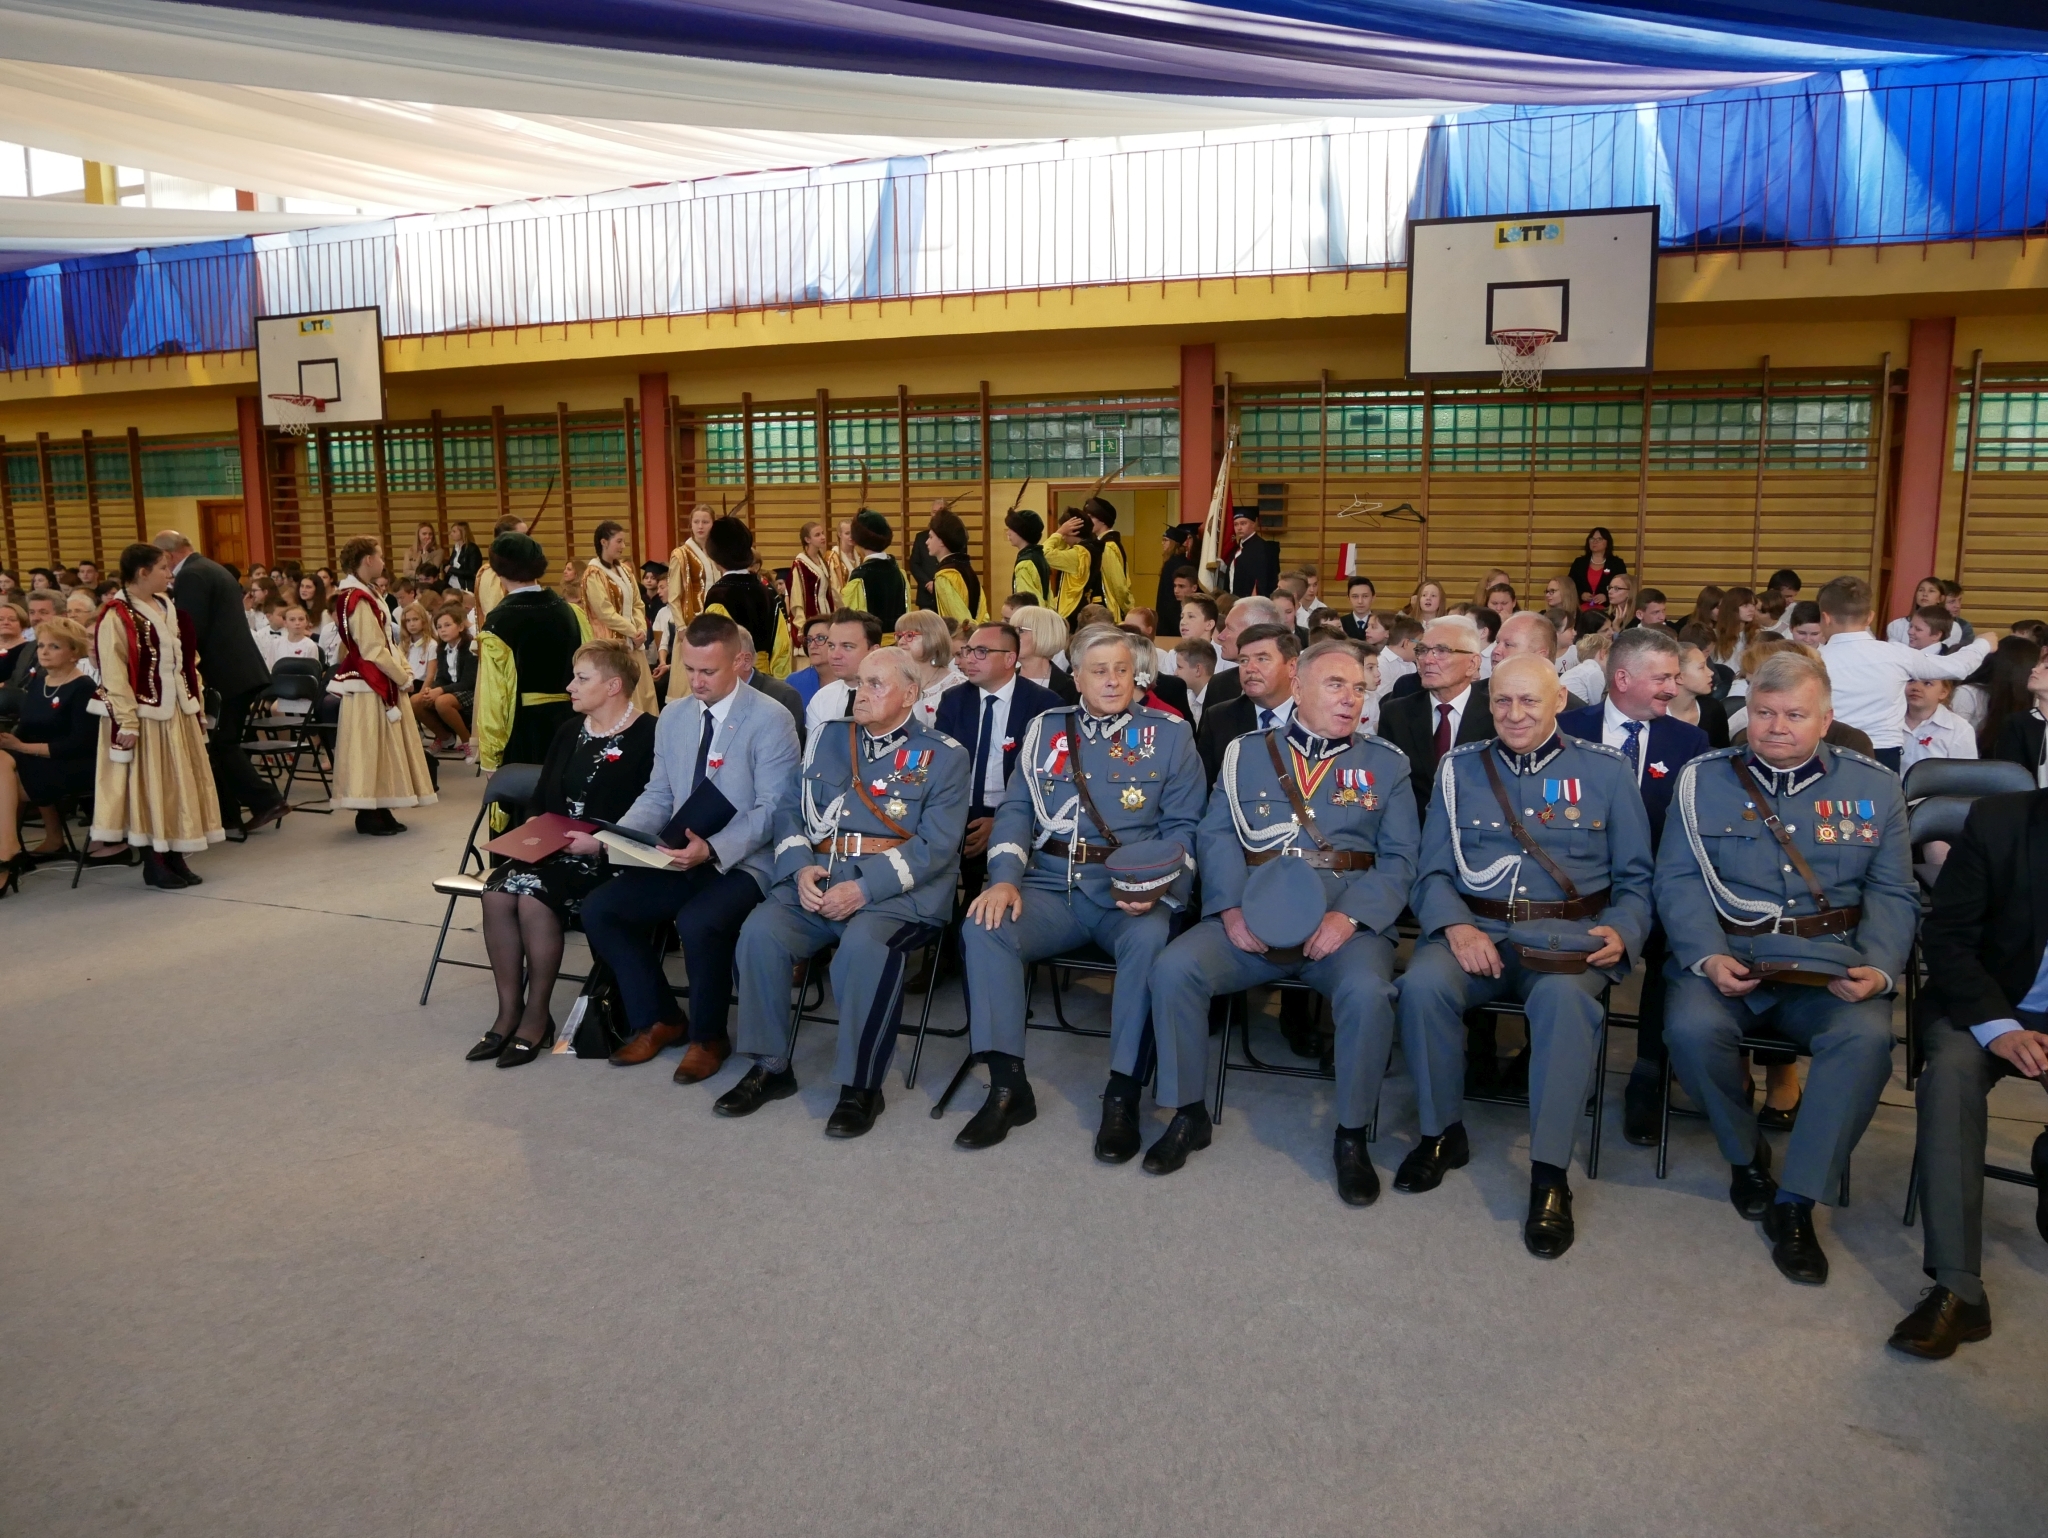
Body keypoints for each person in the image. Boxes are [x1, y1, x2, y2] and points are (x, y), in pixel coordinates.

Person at [1656, 651, 1915, 1286]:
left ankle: (1796, 1201)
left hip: (1829, 965)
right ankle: (1745, 1155)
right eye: (1765, 713)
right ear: (1747, 715)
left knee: (1867, 1040)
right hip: (1731, 956)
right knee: (1689, 1028)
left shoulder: (1874, 786)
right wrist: (1707, 954)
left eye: (1795, 715)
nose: (1776, 727)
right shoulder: (1702, 779)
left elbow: (1892, 892)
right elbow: (1678, 879)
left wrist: (1880, 970)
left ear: (1825, 719)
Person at [1394, 654, 1652, 1257]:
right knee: (1421, 987)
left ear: (1559, 701)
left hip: (1568, 938)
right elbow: (1431, 872)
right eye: (1502, 701)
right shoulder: (1460, 768)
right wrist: (1456, 926)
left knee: (1564, 1006)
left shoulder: (1607, 771)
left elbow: (1638, 878)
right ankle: (1441, 1133)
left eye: (1529, 700)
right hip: (1477, 931)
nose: (1514, 714)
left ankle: (1549, 1172)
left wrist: (1623, 929)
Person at [1152, 640, 1419, 1202]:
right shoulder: (1246, 753)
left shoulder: (1386, 764)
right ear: (1297, 687)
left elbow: (1400, 861)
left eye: (1358, 689)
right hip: (1252, 913)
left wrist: (1349, 918)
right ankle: (1187, 1112)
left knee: (1369, 994)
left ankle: (1351, 1134)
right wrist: (1228, 908)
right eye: (1335, 685)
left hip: (1342, 923)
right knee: (1175, 969)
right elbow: (1217, 835)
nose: (1350, 699)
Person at [957, 626, 1209, 1164]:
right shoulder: (1046, 728)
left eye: (1123, 669)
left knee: (1150, 943)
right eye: (1099, 671)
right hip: (1052, 883)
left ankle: (1122, 1094)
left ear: (1137, 675)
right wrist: (1003, 878)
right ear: (1076, 677)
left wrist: (1158, 888)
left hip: (1128, 892)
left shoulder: (1169, 734)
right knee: (984, 926)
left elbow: (1185, 827)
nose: (1113, 680)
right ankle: (1007, 1087)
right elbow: (1017, 810)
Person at [718, 647, 971, 1137]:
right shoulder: (828, 738)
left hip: (898, 893)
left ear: (910, 695)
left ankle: (861, 1085)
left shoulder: (944, 756)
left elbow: (937, 847)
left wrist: (864, 888)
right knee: (760, 933)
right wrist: (798, 869)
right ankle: (770, 1065)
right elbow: (790, 810)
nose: (862, 693)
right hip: (819, 878)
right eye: (859, 683)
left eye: (876, 684)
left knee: (863, 947)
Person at [581, 615, 800, 1082]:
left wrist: (713, 849)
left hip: (747, 860)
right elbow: (659, 793)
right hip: (679, 852)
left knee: (700, 921)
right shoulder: (675, 716)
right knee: (602, 909)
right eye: (690, 670)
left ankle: (708, 1037)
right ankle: (660, 1018)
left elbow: (774, 809)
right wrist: (618, 835)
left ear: (738, 663)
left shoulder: (770, 718)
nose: (696, 681)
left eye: (708, 671)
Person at [1893, 789, 2048, 1356]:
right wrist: (1998, 1026)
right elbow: (1948, 937)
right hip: (1987, 1003)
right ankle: (1959, 1289)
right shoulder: (2000, 820)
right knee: (1951, 1076)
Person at [465, 640, 658, 1066]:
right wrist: (535, 827)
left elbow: (655, 811)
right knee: (496, 893)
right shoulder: (569, 730)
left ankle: (536, 1018)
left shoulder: (650, 734)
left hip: (609, 857)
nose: (570, 686)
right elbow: (542, 796)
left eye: (581, 678)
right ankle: (508, 1014)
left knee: (533, 899)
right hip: (555, 849)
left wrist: (600, 844)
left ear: (613, 685)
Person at [1557, 627, 1712, 1144]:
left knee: (1676, 941)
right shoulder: (1565, 728)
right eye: (1663, 677)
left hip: (1656, 883)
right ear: (1622, 678)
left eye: (1676, 677)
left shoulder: (1688, 741)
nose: (1673, 687)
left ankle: (1648, 1072)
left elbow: (1690, 830)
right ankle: (1563, 1058)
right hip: (1576, 884)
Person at [88, 543, 226, 887]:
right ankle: (155, 861)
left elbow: (186, 660)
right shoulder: (117, 615)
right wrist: (128, 722)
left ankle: (176, 854)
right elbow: (114, 672)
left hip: (177, 710)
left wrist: (195, 703)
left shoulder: (166, 605)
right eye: (163, 568)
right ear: (142, 572)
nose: (169, 574)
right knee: (152, 787)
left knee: (180, 785)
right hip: (144, 715)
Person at [151, 530, 289, 836]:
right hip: (237, 669)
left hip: (226, 673)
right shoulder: (210, 567)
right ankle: (231, 816)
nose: (163, 569)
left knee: (221, 744)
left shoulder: (192, 575)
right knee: (220, 744)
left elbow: (190, 628)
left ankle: (264, 801)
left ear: (168, 555)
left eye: (161, 562)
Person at [933, 620, 1063, 910]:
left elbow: (1046, 781)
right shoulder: (954, 700)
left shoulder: (1044, 704)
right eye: (967, 651)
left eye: (981, 651)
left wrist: (1003, 821)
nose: (969, 659)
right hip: (958, 808)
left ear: (1009, 659)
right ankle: (949, 924)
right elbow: (941, 769)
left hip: (1016, 810)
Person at [1814, 576, 1988, 771]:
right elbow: (1959, 666)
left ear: (1825, 618)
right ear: (1870, 617)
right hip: (1883, 755)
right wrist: (1984, 643)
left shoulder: (1814, 661)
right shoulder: (1897, 654)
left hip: (1829, 750)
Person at [325, 539, 438, 835]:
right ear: (367, 560)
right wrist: (401, 677)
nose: (383, 561)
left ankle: (381, 806)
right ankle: (368, 811)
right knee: (369, 745)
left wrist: (404, 668)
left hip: (380, 676)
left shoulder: (368, 592)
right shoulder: (357, 598)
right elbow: (372, 648)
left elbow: (386, 640)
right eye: (379, 556)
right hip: (369, 682)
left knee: (383, 746)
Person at [474, 533, 592, 771]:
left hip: (525, 731)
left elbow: (495, 697)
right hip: (573, 724)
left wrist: (490, 756)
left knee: (528, 792)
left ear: (498, 571)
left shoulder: (498, 624)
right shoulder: (571, 612)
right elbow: (592, 672)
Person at [0, 616, 98, 886]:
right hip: (35, 759)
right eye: (41, 645)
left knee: (3, 775)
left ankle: (7, 852)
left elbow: (79, 744)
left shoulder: (84, 688)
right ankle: (10, 847)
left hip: (72, 764)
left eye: (54, 646)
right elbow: (27, 728)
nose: (43, 652)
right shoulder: (39, 682)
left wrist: (20, 747)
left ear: (74, 653)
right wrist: (10, 740)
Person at [1379, 616, 1491, 820]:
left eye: (1442, 651)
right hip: (1413, 830)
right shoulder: (1396, 714)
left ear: (1472, 664)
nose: (1427, 660)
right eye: (1422, 650)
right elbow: (1386, 789)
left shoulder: (1496, 716)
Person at [1195, 624, 1299, 785]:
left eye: (1262, 659)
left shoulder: (1317, 718)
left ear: (1292, 667)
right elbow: (1204, 787)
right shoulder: (1218, 718)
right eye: (1243, 660)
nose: (1249, 669)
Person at [581, 520, 659, 716]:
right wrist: (632, 631)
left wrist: (641, 630)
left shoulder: (625, 571)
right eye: (619, 541)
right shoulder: (593, 574)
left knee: (644, 694)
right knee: (622, 695)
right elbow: (604, 612)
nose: (623, 546)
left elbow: (637, 604)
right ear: (604, 542)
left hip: (634, 642)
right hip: (611, 644)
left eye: (624, 542)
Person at [699, 517, 785, 676]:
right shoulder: (766, 591)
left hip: (733, 679)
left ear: (716, 557)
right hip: (765, 678)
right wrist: (777, 682)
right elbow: (782, 645)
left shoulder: (718, 595)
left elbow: (714, 647)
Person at [803, 609, 880, 733]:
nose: (835, 655)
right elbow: (814, 746)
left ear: (873, 651)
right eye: (831, 646)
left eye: (847, 646)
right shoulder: (821, 699)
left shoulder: (896, 697)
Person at [412, 605, 477, 750]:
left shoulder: (470, 647)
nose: (442, 630)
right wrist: (431, 689)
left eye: (447, 625)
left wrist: (440, 690)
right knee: (416, 700)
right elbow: (441, 677)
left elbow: (468, 682)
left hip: (470, 691)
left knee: (442, 702)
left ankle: (468, 741)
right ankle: (445, 737)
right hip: (451, 690)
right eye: (439, 627)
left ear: (460, 627)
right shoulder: (441, 649)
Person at [838, 510, 907, 634]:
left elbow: (853, 621)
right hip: (898, 640)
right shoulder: (899, 572)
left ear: (857, 539)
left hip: (872, 642)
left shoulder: (860, 576)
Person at [1004, 509, 1081, 618]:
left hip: (1033, 620)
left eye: (1011, 529)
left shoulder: (1024, 565)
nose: (1008, 533)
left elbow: (1028, 604)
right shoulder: (1038, 556)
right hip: (1045, 616)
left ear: (1022, 532)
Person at [1989, 646, 2048, 782]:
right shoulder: (2016, 723)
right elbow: (2010, 780)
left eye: (2046, 667)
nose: (2034, 669)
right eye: (2037, 665)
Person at [894, 610, 964, 725]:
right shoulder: (894, 681)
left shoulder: (958, 686)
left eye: (909, 635)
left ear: (933, 638)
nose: (901, 642)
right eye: (899, 636)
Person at [921, 510, 985, 628]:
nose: (927, 542)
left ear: (942, 541)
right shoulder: (968, 569)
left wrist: (968, 632)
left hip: (961, 637)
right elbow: (982, 612)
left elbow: (961, 621)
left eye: (930, 537)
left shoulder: (945, 576)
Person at [1901, 679, 1977, 773]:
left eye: (1927, 683)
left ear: (1943, 692)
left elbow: (1965, 774)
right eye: (1911, 680)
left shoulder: (1959, 729)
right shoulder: (1889, 720)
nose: (1916, 688)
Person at [665, 503, 717, 629]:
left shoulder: (718, 553)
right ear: (691, 524)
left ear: (713, 524)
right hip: (691, 621)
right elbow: (673, 596)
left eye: (705, 522)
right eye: (696, 522)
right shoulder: (680, 554)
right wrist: (681, 626)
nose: (700, 526)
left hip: (717, 618)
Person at [787, 520, 839, 647]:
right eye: (817, 535)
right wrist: (802, 626)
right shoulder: (800, 564)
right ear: (807, 539)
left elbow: (831, 591)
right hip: (811, 617)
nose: (823, 537)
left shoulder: (822, 560)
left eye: (822, 533)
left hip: (826, 613)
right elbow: (796, 598)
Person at [1670, 643, 1731, 747]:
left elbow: (1722, 753)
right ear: (1679, 677)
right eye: (1702, 667)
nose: (1711, 672)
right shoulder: (1655, 714)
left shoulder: (1713, 709)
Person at [1012, 605, 1074, 705]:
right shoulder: (1002, 682)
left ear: (1043, 635)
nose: (1012, 637)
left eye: (1020, 630)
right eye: (1011, 630)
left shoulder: (1072, 687)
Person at [1222, 510, 1280, 597]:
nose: (1239, 528)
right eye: (1236, 524)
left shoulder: (1262, 548)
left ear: (1253, 524)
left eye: (1243, 523)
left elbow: (1263, 580)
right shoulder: (1237, 548)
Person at [1569, 527, 1627, 612]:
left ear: (1607, 543)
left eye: (1599, 539)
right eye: (1592, 538)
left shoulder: (1616, 564)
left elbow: (1623, 587)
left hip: (1609, 609)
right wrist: (1581, 594)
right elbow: (1569, 585)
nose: (1594, 541)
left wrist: (1606, 596)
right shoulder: (1579, 563)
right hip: (1581, 609)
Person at [1155, 523, 1198, 636]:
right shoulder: (1173, 562)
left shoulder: (1176, 564)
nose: (1162, 543)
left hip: (1172, 619)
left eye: (1166, 540)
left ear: (1174, 543)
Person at [1710, 585, 1762, 672]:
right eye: (1745, 605)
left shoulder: (1757, 635)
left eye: (1753, 605)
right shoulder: (1713, 635)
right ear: (1731, 607)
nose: (1752, 609)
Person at [786, 615, 832, 707]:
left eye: (820, 638)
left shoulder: (852, 681)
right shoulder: (794, 682)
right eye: (809, 640)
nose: (812, 646)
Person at [1174, 639, 1217, 728]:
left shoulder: (1218, 703)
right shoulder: (1187, 699)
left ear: (1198, 670)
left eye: (1179, 667)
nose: (1175, 673)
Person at [444, 521, 480, 591]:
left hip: (465, 586)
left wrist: (451, 569)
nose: (451, 534)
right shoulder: (455, 547)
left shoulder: (472, 549)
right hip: (451, 583)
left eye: (454, 531)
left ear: (463, 532)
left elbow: (472, 572)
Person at [1339, 575, 1377, 641]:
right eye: (1355, 596)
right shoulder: (1340, 623)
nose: (1360, 601)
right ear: (1348, 598)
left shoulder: (1381, 624)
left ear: (1373, 598)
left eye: (1365, 596)